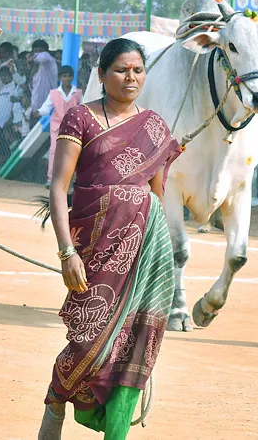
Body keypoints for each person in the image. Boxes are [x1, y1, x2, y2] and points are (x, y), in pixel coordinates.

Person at [40, 38, 182, 440]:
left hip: (142, 252)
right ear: (102, 75)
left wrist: (156, 253)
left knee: (134, 343)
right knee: (87, 340)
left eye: (138, 70)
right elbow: (58, 187)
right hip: (93, 247)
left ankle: (115, 432)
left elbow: (156, 195)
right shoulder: (79, 119)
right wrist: (67, 252)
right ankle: (56, 399)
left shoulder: (153, 127)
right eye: (121, 70)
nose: (131, 78)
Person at [39, 64, 82, 184]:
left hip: (73, 127)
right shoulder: (54, 93)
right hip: (57, 126)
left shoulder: (77, 93)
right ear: (60, 77)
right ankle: (51, 178)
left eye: (69, 76)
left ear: (72, 77)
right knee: (54, 150)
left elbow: (82, 109)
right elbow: (45, 108)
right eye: (65, 76)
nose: (67, 78)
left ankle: (71, 178)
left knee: (72, 152)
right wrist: (38, 112)